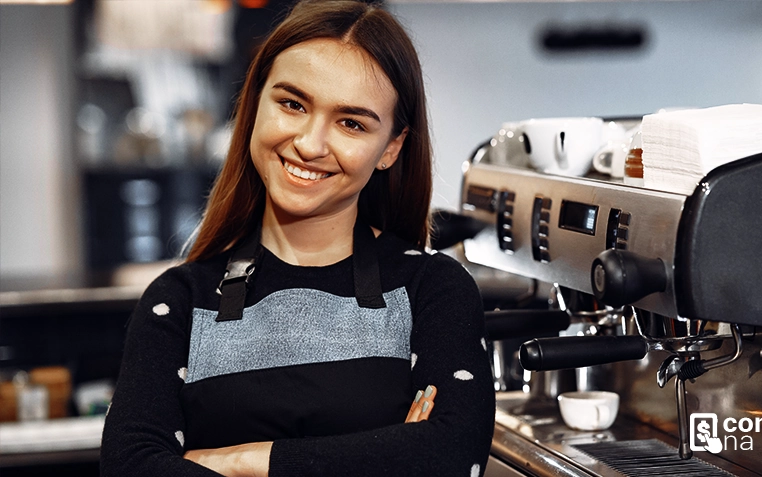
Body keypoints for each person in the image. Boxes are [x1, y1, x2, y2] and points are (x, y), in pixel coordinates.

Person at [99, 1, 496, 476]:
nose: (309, 144)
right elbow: (130, 466)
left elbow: (447, 455)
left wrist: (238, 461)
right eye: (292, 104)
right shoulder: (179, 301)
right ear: (254, 104)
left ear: (390, 147)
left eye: (351, 122)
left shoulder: (433, 289)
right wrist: (380, 456)